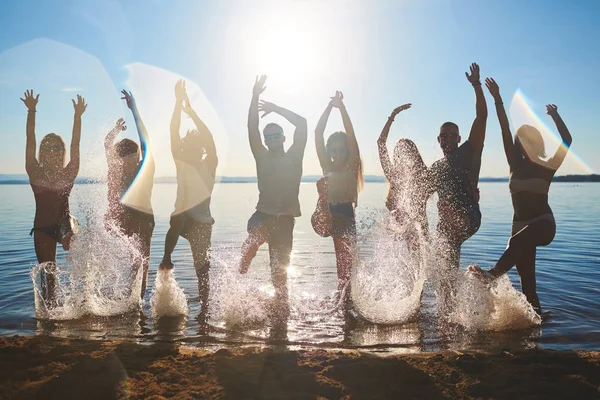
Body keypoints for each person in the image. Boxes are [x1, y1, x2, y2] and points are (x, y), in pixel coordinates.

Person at [468, 78, 572, 315]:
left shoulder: (548, 166)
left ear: (538, 144)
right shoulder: (513, 163)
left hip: (544, 224)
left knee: (515, 244)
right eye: (523, 140)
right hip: (519, 225)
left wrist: (555, 116)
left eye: (532, 140)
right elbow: (504, 127)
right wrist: (497, 98)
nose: (527, 144)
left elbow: (567, 140)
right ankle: (536, 330)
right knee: (528, 287)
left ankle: (491, 275)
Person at [238, 75, 307, 318]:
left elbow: (302, 123)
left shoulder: (295, 156)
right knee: (256, 234)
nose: (272, 138)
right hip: (262, 215)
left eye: (277, 134)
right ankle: (248, 251)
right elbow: (251, 128)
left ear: (284, 138)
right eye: (269, 136)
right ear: (265, 141)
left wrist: (276, 108)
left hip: (286, 221)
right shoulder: (262, 156)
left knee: (279, 274)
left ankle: (281, 315)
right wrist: (254, 96)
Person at [428, 63, 488, 311]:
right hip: (448, 224)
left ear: (460, 139)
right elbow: (419, 193)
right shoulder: (436, 168)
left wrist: (476, 86)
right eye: (445, 135)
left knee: (446, 211)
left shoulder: (467, 153)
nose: (449, 138)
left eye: (454, 135)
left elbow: (482, 117)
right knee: (444, 270)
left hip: (469, 216)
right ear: (439, 140)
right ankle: (449, 310)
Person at [23, 89, 86, 306]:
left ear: (62, 151)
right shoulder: (35, 170)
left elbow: (76, 145)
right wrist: (32, 111)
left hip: (65, 226)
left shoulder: (68, 172)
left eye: (57, 148)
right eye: (48, 148)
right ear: (42, 151)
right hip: (43, 229)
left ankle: (84, 301)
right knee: (49, 274)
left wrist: (77, 117)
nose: (53, 151)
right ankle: (51, 314)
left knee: (83, 262)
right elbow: (29, 141)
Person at [159, 80, 218, 312]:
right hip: (182, 219)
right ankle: (166, 257)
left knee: (202, 268)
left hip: (202, 223)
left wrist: (191, 113)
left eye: (196, 148)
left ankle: (205, 306)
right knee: (179, 216)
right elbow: (173, 131)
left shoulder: (209, 166)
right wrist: (177, 102)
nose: (189, 152)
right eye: (186, 147)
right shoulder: (181, 163)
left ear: (201, 150)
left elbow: (210, 140)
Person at [104, 89, 155, 299]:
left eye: (130, 156)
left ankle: (138, 299)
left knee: (142, 261)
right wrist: (116, 129)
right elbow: (107, 144)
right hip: (123, 218)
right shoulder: (116, 169)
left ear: (138, 155)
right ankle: (123, 295)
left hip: (144, 219)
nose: (125, 161)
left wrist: (134, 110)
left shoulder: (145, 168)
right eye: (122, 157)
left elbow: (145, 139)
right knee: (132, 258)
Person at [313, 91, 363, 304]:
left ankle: (344, 299)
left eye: (341, 149)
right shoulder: (327, 166)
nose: (336, 153)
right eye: (333, 149)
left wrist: (341, 107)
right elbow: (318, 132)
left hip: (345, 217)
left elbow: (350, 134)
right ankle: (343, 300)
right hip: (324, 214)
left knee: (344, 265)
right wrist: (328, 108)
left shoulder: (352, 167)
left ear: (347, 150)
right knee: (343, 262)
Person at [377, 103, 429, 262]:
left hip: (418, 227)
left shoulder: (423, 177)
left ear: (414, 154)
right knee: (408, 268)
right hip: (398, 229)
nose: (403, 155)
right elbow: (381, 143)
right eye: (399, 152)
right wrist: (392, 115)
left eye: (407, 151)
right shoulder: (394, 176)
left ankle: (419, 287)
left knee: (419, 265)